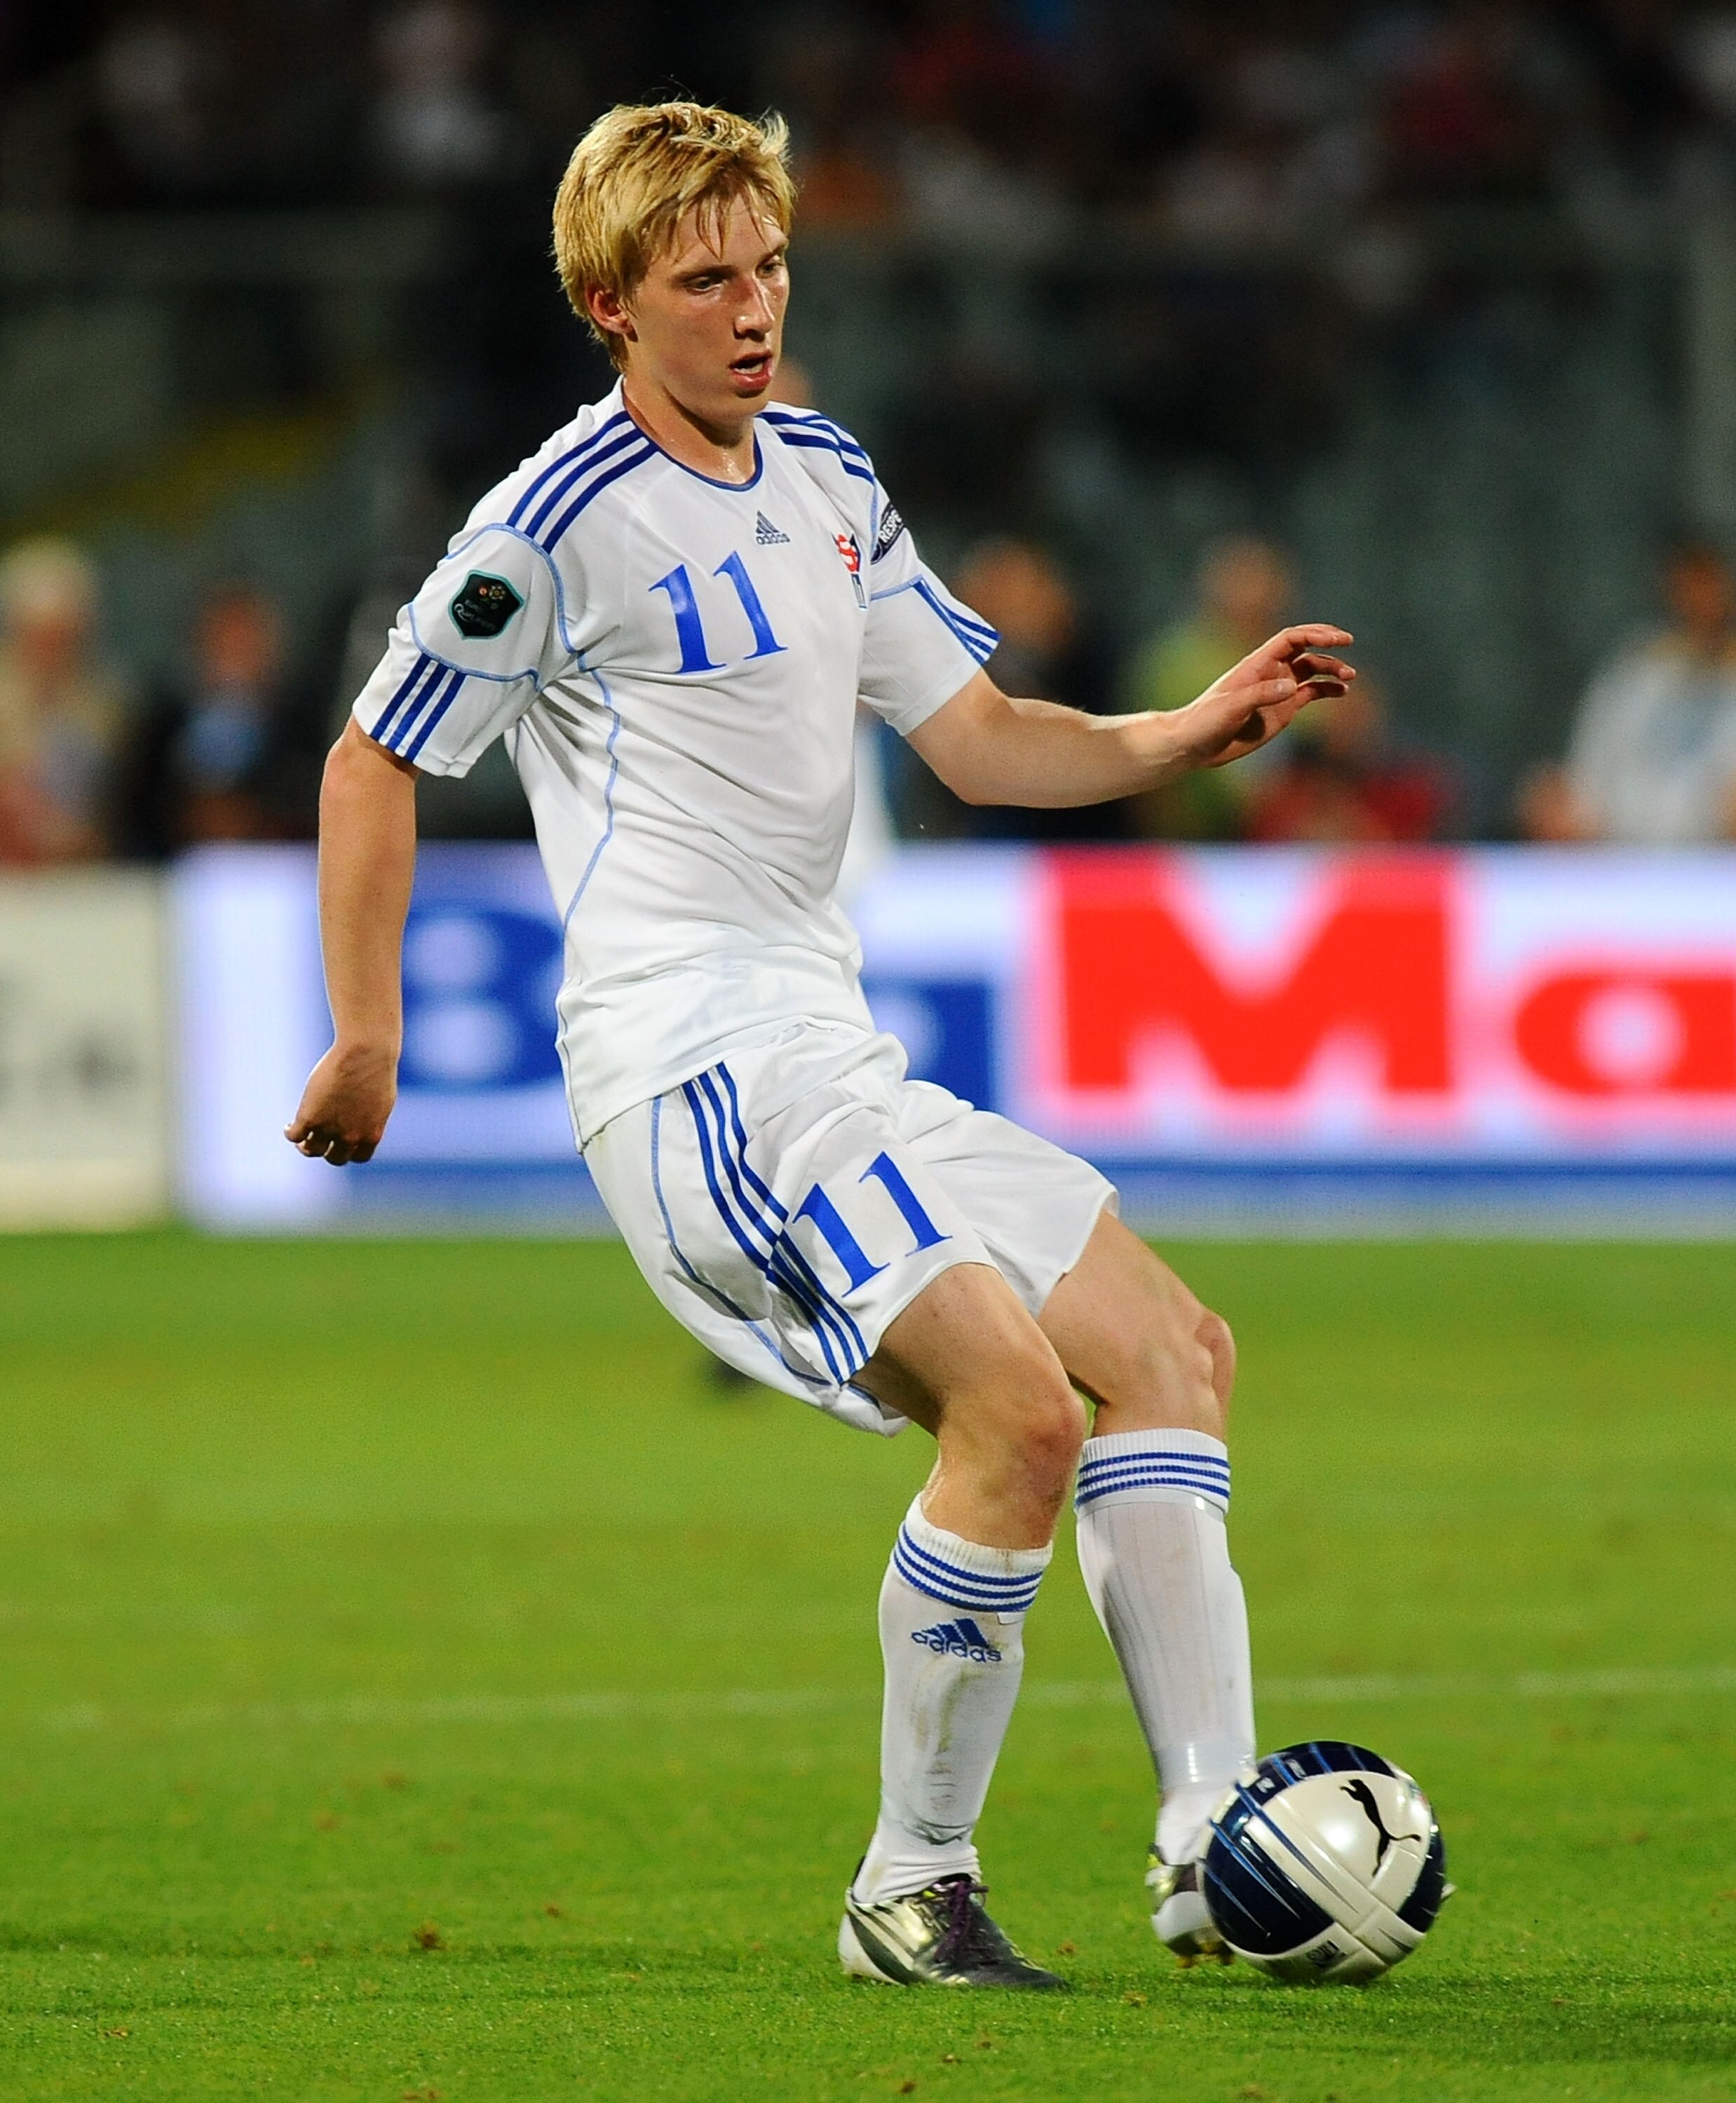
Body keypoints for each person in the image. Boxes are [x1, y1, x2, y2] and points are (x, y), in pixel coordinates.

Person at [285, 102, 1354, 1992]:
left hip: (827, 1050)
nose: (754, 307)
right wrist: (366, 1032)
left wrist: (1186, 732)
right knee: (1018, 1417)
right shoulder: (549, 526)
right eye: (705, 280)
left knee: (1172, 1354)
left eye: (768, 267)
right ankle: (909, 1884)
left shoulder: (827, 477)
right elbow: (377, 752)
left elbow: (976, 734)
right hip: (692, 1069)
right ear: (611, 306)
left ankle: (1214, 1847)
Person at [1521, 538, 1736, 844]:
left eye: (1709, 583)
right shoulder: (1637, 670)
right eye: (1688, 583)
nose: (1699, 597)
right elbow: (1589, 766)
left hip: (1715, 865)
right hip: (1621, 856)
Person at [1121, 535, 1296, 840]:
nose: (1252, 592)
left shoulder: (1304, 660)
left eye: (1260, 578)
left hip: (1285, 840)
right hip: (1194, 838)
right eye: (1239, 578)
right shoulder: (1172, 665)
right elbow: (1140, 759)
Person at [0, 537, 125, 866]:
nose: (52, 649)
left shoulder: (108, 702)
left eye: (64, 635)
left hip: (86, 872)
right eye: (41, 635)